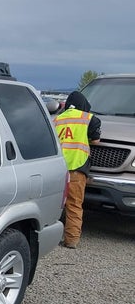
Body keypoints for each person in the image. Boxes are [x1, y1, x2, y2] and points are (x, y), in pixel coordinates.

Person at [53, 90, 101, 249]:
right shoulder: (89, 119)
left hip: (57, 169)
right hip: (76, 167)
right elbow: (96, 141)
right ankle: (71, 240)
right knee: (74, 205)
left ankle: (47, 238)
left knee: (54, 204)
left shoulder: (57, 119)